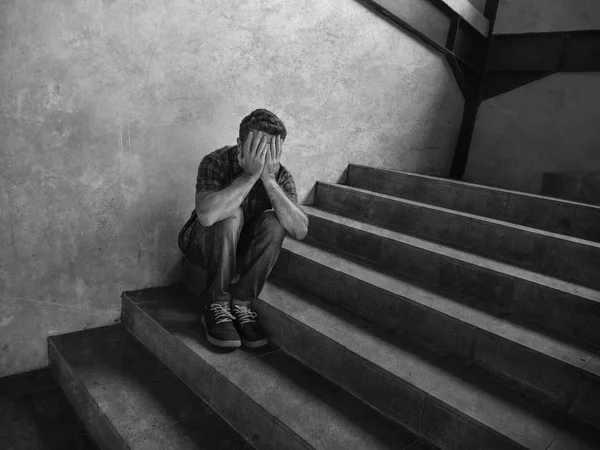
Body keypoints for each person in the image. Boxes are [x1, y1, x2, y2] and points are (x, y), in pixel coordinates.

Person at [178, 109, 309, 349]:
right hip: (203, 247)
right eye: (257, 147)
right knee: (230, 214)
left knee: (274, 220)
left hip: (240, 253)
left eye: (270, 150)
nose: (264, 156)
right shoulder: (215, 161)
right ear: (240, 144)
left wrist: (268, 180)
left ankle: (240, 304)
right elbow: (207, 216)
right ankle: (216, 304)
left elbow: (299, 230)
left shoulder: (279, 174)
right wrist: (250, 176)